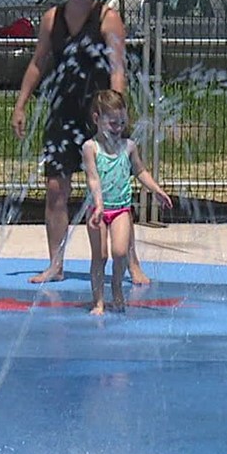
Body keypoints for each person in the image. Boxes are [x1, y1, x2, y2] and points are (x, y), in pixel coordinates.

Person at [10, 0, 150, 285]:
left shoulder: (107, 18)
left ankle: (131, 263)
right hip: (62, 113)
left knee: (113, 192)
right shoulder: (51, 19)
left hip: (98, 114)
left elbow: (117, 69)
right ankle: (55, 264)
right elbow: (37, 62)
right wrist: (21, 104)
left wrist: (116, 113)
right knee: (56, 189)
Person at [82, 90, 172, 315]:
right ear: (97, 119)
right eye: (112, 122)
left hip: (121, 209)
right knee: (100, 256)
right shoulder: (90, 148)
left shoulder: (129, 146)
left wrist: (156, 190)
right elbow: (93, 178)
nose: (118, 127)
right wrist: (99, 205)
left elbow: (140, 171)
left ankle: (116, 287)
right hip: (96, 210)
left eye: (122, 122)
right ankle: (98, 301)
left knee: (120, 252)